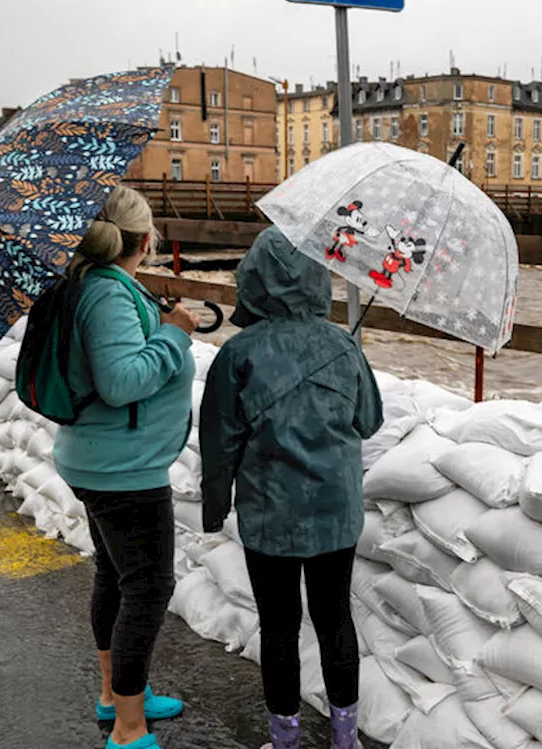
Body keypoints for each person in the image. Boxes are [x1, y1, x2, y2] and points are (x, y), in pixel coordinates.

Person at [200, 227, 383, 749]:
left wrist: (215, 512)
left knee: (279, 629)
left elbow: (219, 446)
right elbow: (368, 420)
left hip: (269, 518)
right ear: (316, 282)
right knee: (335, 622)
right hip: (336, 514)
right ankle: (346, 741)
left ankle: (285, 741)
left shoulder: (238, 355)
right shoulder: (343, 347)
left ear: (252, 282)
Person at [53, 185, 198, 749]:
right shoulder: (107, 295)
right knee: (148, 587)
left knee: (115, 578)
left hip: (101, 459)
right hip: (123, 470)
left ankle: (117, 696)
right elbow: (120, 383)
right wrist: (174, 337)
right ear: (142, 240)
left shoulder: (92, 283)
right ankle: (129, 729)